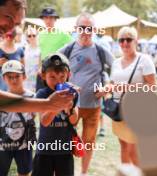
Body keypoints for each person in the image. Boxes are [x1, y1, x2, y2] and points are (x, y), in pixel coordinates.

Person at [59, 12, 114, 175]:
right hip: (71, 108)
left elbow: (117, 69)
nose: (85, 31)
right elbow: (50, 72)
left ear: (94, 30)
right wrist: (64, 86)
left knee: (89, 143)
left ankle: (83, 173)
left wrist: (107, 87)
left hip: (93, 107)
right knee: (67, 143)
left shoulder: (101, 50)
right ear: (76, 28)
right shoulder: (66, 50)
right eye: (82, 28)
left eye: (89, 28)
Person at [0, 0, 75, 113]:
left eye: (16, 24)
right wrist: (48, 104)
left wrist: (48, 104)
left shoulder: (62, 34)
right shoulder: (41, 35)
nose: (10, 28)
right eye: (8, 17)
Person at [96, 26, 156, 165]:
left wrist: (127, 87)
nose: (124, 43)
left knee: (133, 150)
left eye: (128, 39)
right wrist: (105, 89)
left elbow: (153, 87)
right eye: (121, 40)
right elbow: (112, 84)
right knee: (123, 147)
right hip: (118, 111)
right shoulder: (116, 62)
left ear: (136, 41)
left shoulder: (144, 60)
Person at [32, 53, 78, 176]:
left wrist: (71, 108)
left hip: (64, 150)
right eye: (52, 77)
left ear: (68, 75)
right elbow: (44, 121)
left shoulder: (72, 92)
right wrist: (57, 106)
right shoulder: (42, 94)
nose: (58, 81)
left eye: (62, 76)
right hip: (45, 149)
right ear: (43, 76)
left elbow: (74, 121)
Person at [0, 60, 36, 176]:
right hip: (3, 145)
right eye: (9, 77)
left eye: (17, 76)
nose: (14, 80)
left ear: (24, 77)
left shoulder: (32, 97)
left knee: (25, 172)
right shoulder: (1, 98)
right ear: (4, 78)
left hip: (24, 144)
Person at [36, 7, 72, 91]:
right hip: (44, 69)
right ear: (43, 19)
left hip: (58, 70)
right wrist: (39, 67)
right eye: (46, 18)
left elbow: (73, 47)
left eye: (51, 18)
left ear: (55, 19)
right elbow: (40, 53)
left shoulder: (62, 34)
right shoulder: (40, 34)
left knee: (58, 97)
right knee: (41, 96)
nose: (48, 20)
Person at [24, 28, 41, 92]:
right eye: (29, 36)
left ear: (37, 36)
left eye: (34, 35)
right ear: (26, 37)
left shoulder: (41, 48)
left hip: (37, 79)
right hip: (26, 80)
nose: (32, 37)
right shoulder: (24, 49)